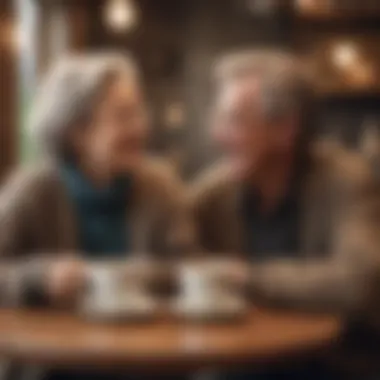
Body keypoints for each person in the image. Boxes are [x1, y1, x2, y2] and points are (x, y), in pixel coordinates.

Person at [0, 52, 193, 380]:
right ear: (77, 130)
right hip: (54, 368)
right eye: (123, 116)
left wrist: (126, 276)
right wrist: (40, 278)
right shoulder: (33, 190)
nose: (140, 127)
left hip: (147, 364)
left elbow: (189, 270)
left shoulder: (161, 188)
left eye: (139, 112)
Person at [191, 50, 380, 378]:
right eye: (217, 119)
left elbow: (360, 282)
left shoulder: (346, 181)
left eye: (233, 120)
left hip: (335, 365)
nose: (217, 136)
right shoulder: (212, 195)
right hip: (241, 365)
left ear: (285, 128)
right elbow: (171, 263)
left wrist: (249, 278)